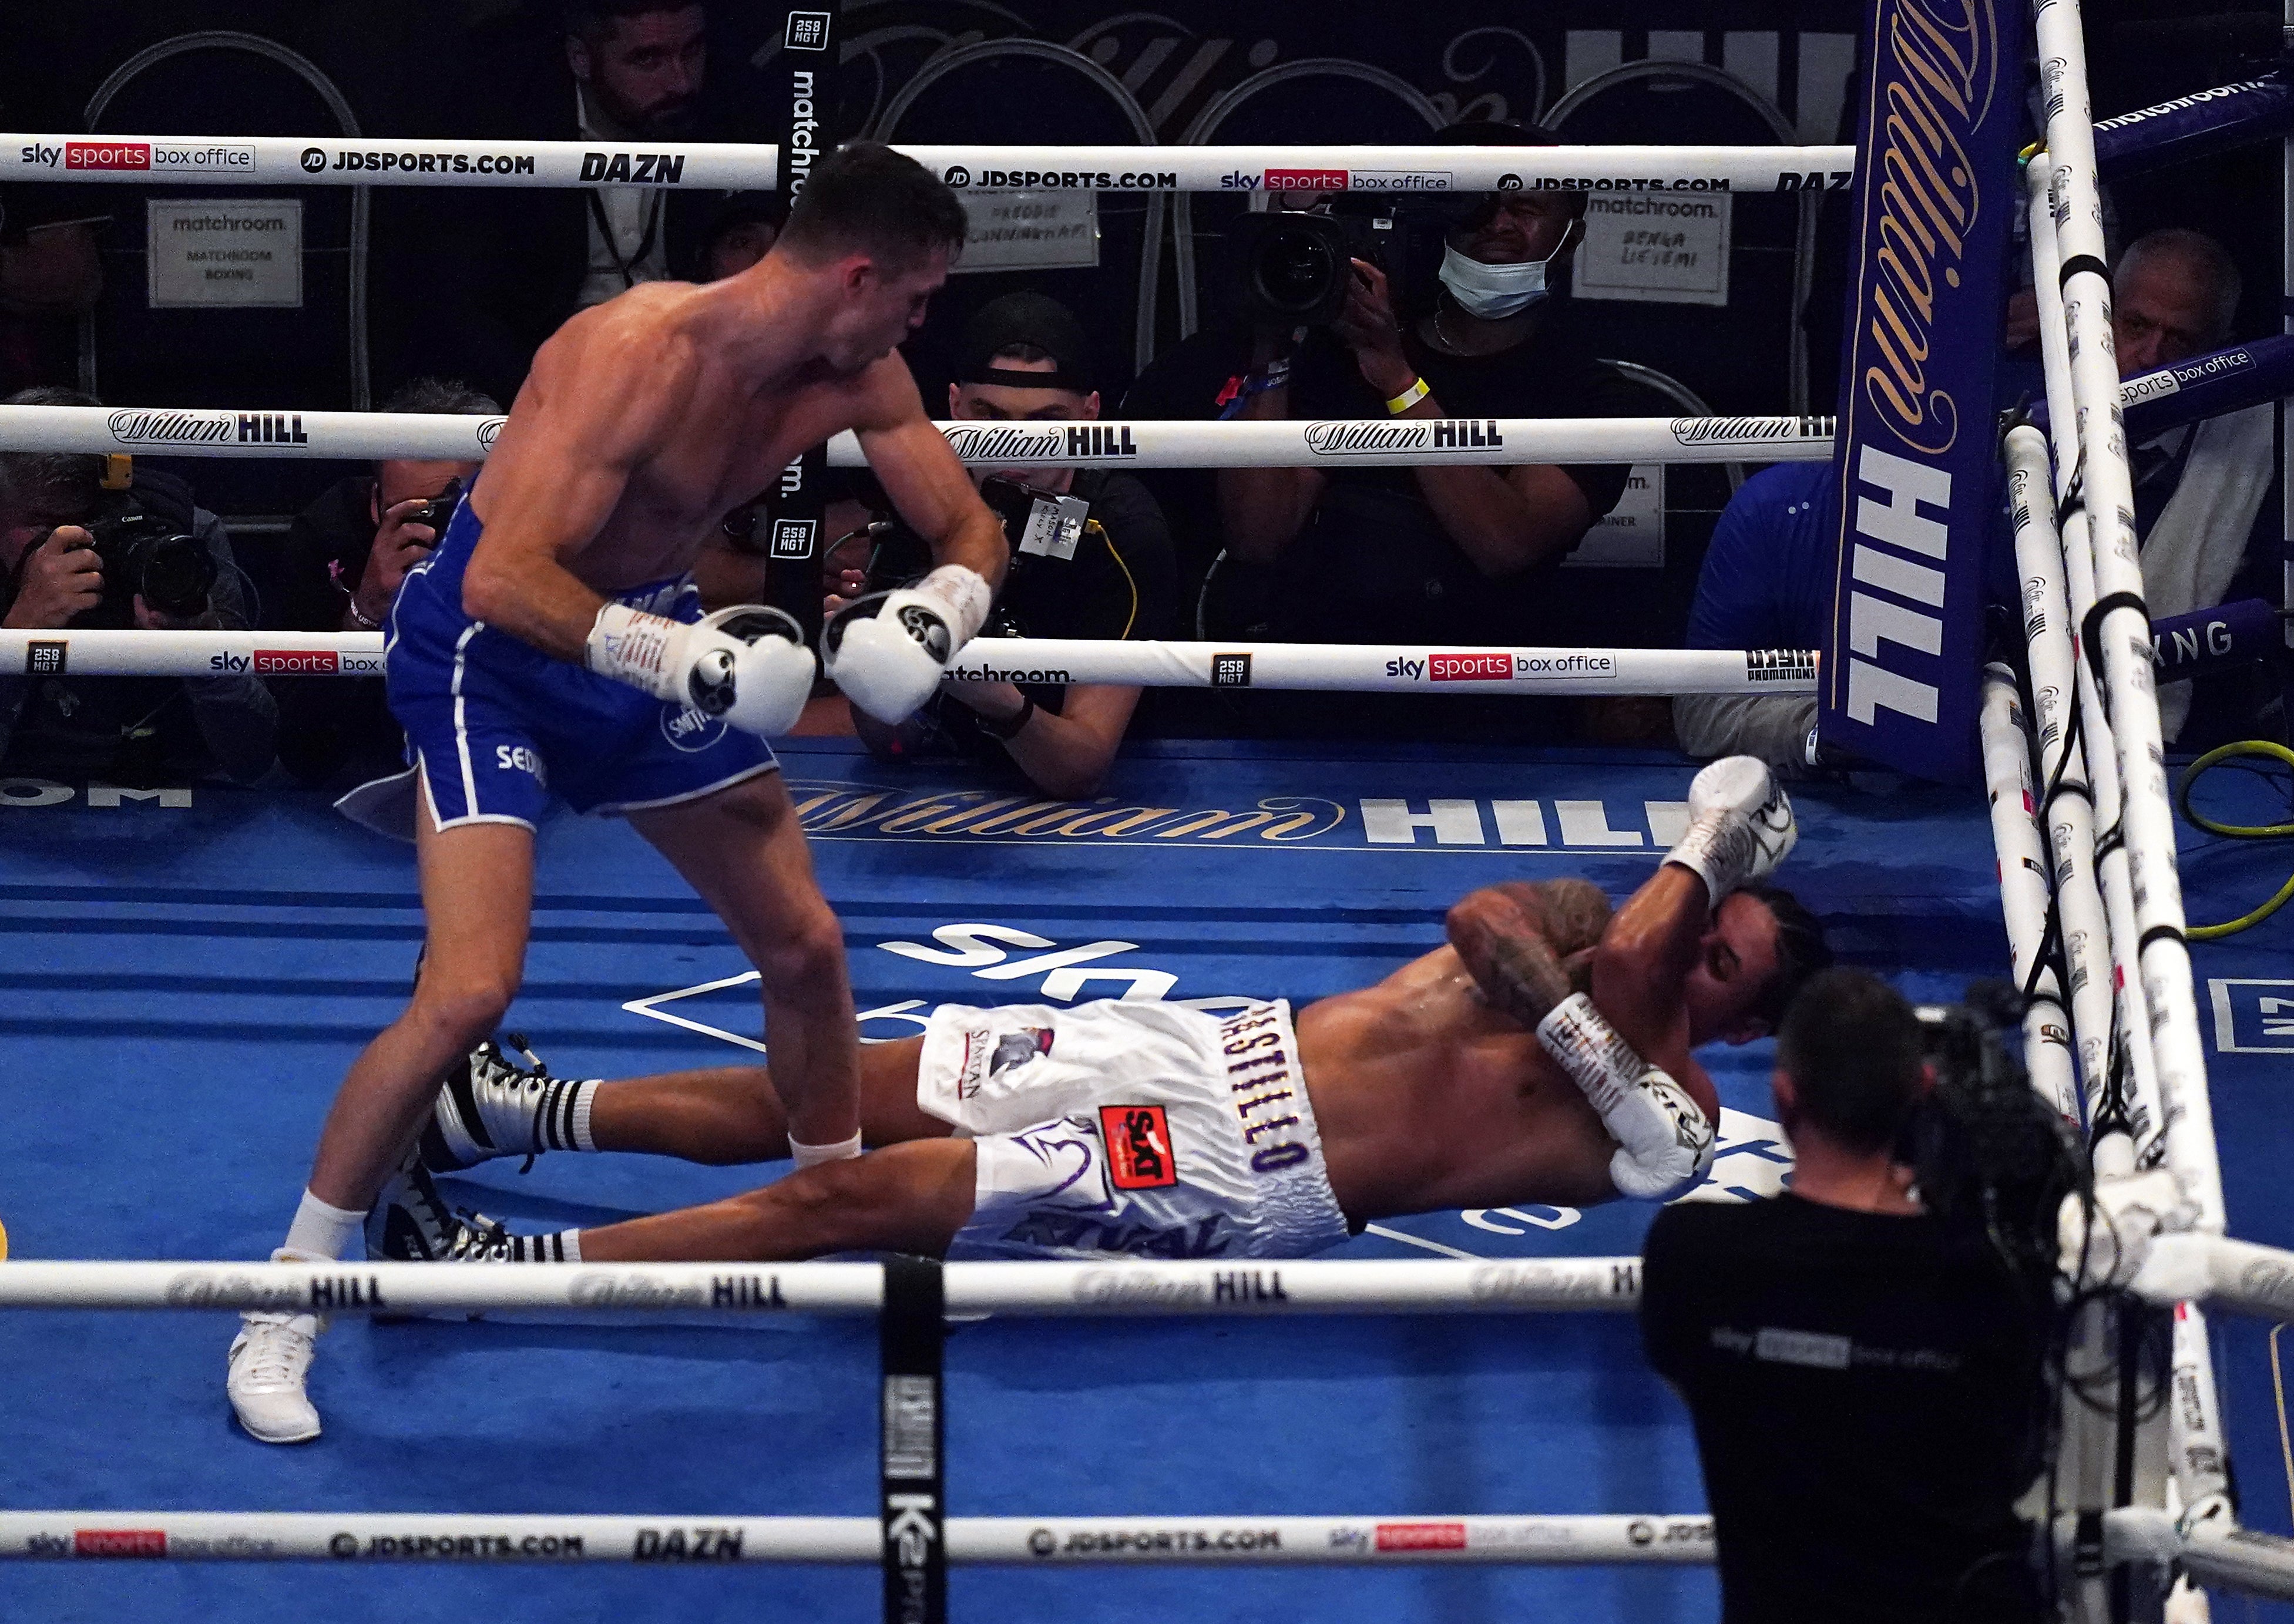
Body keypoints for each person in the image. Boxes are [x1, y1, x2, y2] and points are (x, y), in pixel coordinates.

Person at [225, 140, 1009, 1444]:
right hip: (494, 661)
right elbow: (500, 582)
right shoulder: (627, 354)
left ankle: (834, 1216)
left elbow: (968, 525)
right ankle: (286, 1299)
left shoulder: (861, 369)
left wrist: (940, 611)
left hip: (640, 648)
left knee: (805, 944)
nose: (921, 325)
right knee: (470, 989)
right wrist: (687, 656)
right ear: (858, 273)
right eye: (916, 296)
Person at [387, 759, 1826, 1268]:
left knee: (860, 1200)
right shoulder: (1594, 960)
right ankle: (514, 1112)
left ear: (1747, 1027)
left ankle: (515, 1261)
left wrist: (1702, 844)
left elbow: (1629, 988)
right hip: (1197, 1043)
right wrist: (1573, 1018)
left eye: (1721, 958)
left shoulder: (1683, 1118)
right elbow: (1481, 925)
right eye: (1701, 922)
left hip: (1237, 1165)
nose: (1687, 943)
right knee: (840, 1090)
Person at [1214, 119, 1650, 741]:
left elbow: (1505, 542)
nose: (1497, 222)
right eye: (1478, 201)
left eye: (1524, 206)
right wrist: (1273, 339)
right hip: (1324, 698)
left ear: (1571, 235)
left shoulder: (1590, 394)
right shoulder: (1346, 352)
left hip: (1486, 713)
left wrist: (1397, 378)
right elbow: (1257, 536)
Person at [1640, 967, 2047, 1623]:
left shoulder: (1693, 1253)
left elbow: (1692, 1375)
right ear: (1920, 1090)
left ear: (1782, 1099)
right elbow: (2019, 1438)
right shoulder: (1986, 1271)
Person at [835, 291, 1178, 798]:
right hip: (944, 790)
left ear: (1089, 416)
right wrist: (869, 669)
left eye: (1046, 424)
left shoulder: (1122, 530)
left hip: (1106, 808)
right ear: (954, 406)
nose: (1015, 444)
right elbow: (893, 745)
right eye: (990, 418)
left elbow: (1080, 768)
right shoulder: (921, 499)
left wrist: (997, 699)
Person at [423, 0, 731, 405]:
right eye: (647, 60)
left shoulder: (730, 105)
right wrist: (546, 405)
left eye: (692, 51)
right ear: (580, 58)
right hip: (544, 378)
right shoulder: (505, 120)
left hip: (695, 376)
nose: (680, 82)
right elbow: (462, 304)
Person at [0, 386, 276, 785]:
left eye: (91, 518)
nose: (78, 544)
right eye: (45, 527)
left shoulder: (181, 538)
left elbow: (253, 759)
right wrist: (17, 638)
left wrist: (203, 652)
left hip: (176, 785)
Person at [271, 378, 499, 788]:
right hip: (364, 774)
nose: (433, 531)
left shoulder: (530, 534)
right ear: (376, 503)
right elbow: (302, 754)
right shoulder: (327, 534)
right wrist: (364, 611)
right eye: (414, 513)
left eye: (451, 511)